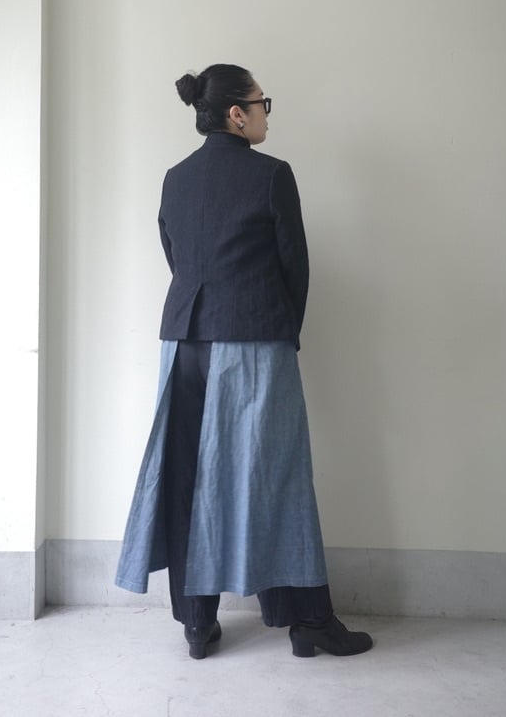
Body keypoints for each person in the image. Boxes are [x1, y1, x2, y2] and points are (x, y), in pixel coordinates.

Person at [115, 64, 372, 660]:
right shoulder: (272, 175)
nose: (265, 114)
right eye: (262, 104)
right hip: (254, 337)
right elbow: (294, 267)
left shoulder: (175, 178)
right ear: (237, 114)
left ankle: (197, 624)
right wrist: (280, 329)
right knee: (276, 477)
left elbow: (176, 255)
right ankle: (307, 620)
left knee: (188, 478)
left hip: (183, 342)